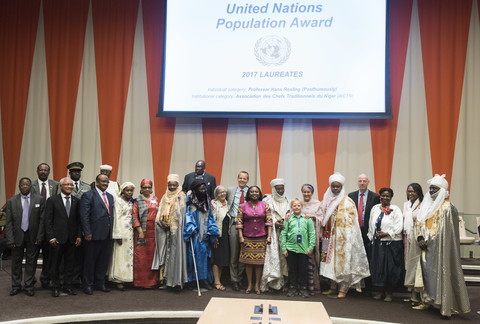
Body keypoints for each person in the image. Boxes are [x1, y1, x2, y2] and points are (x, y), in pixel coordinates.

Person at [404, 174, 470, 317]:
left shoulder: (448, 208)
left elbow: (446, 232)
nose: (431, 191)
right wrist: (420, 237)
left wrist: (430, 240)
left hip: (440, 248)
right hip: (424, 246)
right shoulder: (425, 206)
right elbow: (419, 223)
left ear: (442, 190)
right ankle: (425, 300)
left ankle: (442, 303)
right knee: (424, 274)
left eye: (435, 188)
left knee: (439, 274)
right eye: (430, 188)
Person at [320, 173, 370, 299]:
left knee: (343, 263)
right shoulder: (327, 200)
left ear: (341, 187)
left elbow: (351, 222)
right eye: (333, 186)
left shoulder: (347, 201)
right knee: (329, 263)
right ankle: (333, 287)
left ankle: (343, 289)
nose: (335, 189)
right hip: (329, 237)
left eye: (338, 187)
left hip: (342, 238)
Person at [5, 177, 45, 296]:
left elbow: (42, 220)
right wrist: (10, 238)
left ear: (31, 186)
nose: (25, 186)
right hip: (17, 237)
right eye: (22, 184)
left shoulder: (39, 199)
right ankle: (16, 285)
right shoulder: (11, 201)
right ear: (19, 186)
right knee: (16, 262)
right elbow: (9, 222)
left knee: (31, 262)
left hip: (33, 236)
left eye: (27, 184)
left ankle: (28, 285)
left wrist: (40, 236)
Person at [45, 177, 82, 297]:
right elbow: (48, 220)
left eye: (71, 185)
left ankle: (67, 286)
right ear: (60, 186)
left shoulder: (76, 201)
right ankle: (55, 287)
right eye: (67, 185)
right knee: (55, 264)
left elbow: (78, 221)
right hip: (57, 239)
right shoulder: (52, 200)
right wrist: (51, 237)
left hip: (71, 239)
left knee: (69, 264)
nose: (69, 187)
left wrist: (78, 236)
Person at [368, 188, 404, 302]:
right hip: (378, 244)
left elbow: (399, 226)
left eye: (387, 196)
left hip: (391, 243)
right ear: (380, 196)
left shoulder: (395, 209)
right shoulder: (375, 208)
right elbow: (370, 224)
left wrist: (387, 234)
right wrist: (371, 237)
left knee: (389, 268)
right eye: (383, 195)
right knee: (378, 267)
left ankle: (389, 292)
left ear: (391, 197)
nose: (385, 198)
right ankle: (380, 291)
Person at [80, 174, 114, 295]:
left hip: (107, 235)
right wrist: (87, 232)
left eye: (107, 182)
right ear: (97, 182)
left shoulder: (110, 197)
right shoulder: (88, 195)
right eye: (103, 181)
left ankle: (100, 283)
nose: (105, 184)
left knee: (103, 261)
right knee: (90, 261)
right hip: (93, 235)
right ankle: (88, 285)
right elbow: (84, 216)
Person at [152, 174, 188, 289]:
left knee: (174, 255)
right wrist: (162, 223)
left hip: (176, 232)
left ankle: (175, 281)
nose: (172, 187)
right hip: (163, 229)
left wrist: (171, 224)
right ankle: (165, 280)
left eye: (174, 185)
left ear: (178, 185)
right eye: (170, 185)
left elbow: (181, 214)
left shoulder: (181, 196)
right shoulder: (165, 196)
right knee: (164, 254)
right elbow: (159, 213)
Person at [236, 186, 272, 295]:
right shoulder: (242, 206)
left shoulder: (265, 205)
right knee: (248, 263)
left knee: (259, 263)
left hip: (261, 237)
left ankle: (257, 284)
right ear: (249, 193)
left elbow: (269, 222)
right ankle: (249, 284)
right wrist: (241, 237)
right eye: (252, 192)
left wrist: (269, 236)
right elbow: (239, 223)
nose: (254, 193)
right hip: (247, 237)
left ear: (259, 193)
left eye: (256, 191)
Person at [184, 179, 219, 290]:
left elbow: (211, 217)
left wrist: (212, 232)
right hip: (193, 234)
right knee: (191, 257)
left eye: (204, 189)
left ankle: (203, 280)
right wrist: (191, 228)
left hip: (204, 234)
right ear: (195, 190)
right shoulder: (189, 200)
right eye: (201, 189)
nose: (203, 191)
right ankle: (191, 281)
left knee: (204, 258)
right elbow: (186, 215)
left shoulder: (207, 200)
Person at [31, 163, 59, 289]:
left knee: (49, 256)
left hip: (50, 226)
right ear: (37, 171)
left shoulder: (56, 185)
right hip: (35, 226)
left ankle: (45, 279)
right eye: (41, 170)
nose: (43, 172)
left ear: (49, 172)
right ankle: (30, 280)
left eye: (45, 170)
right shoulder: (30, 185)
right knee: (33, 256)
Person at [281, 198, 316, 298]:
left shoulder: (307, 219)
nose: (296, 207)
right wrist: (284, 248)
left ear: (302, 207)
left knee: (303, 269)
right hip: (291, 249)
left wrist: (310, 247)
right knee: (292, 269)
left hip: (304, 250)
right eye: (294, 206)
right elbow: (283, 234)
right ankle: (292, 287)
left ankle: (303, 288)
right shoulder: (288, 219)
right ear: (291, 207)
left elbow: (312, 234)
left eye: (298, 205)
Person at [261, 178, 289, 291]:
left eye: (282, 188)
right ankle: (272, 283)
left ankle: (284, 283)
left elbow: (290, 215)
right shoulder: (268, 201)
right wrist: (274, 223)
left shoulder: (288, 201)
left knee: (284, 258)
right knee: (273, 257)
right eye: (278, 189)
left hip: (284, 232)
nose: (280, 191)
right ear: (274, 189)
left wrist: (284, 223)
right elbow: (264, 216)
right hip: (272, 233)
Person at [108, 182, 136, 291]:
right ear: (122, 191)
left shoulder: (131, 202)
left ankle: (127, 278)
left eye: (131, 190)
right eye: (127, 190)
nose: (129, 192)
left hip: (130, 232)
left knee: (128, 255)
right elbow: (116, 218)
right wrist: (118, 235)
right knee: (120, 256)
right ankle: (118, 280)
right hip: (121, 232)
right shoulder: (118, 201)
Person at [67, 161, 91, 287]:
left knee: (81, 255)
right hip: (68, 224)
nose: (76, 173)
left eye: (78, 171)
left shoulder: (87, 187)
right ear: (70, 173)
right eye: (74, 171)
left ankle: (77, 279)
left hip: (83, 224)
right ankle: (66, 280)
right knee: (68, 254)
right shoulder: (65, 185)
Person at [132, 179, 159, 288]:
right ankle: (140, 282)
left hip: (154, 231)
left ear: (151, 189)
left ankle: (152, 282)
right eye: (144, 187)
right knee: (141, 257)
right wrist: (140, 232)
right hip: (141, 231)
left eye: (149, 187)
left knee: (151, 257)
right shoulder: (137, 201)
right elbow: (134, 217)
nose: (147, 189)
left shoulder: (156, 200)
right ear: (141, 189)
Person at [226, 171, 249, 291]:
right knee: (234, 254)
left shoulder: (251, 191)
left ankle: (240, 279)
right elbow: (221, 199)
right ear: (237, 179)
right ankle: (234, 280)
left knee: (243, 255)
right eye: (240, 178)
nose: (242, 180)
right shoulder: (230, 190)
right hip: (234, 224)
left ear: (247, 180)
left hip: (248, 227)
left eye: (244, 179)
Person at [300, 183, 323, 295]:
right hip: (301, 237)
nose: (306, 194)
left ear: (312, 193)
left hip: (312, 236)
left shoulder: (318, 204)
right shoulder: (299, 203)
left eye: (308, 192)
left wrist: (313, 216)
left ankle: (313, 287)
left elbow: (322, 219)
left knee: (312, 260)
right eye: (304, 192)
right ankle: (302, 286)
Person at [211, 185, 230, 291]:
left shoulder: (228, 204)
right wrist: (214, 236)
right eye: (220, 193)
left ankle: (219, 280)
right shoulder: (214, 205)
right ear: (216, 195)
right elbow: (212, 220)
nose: (222, 194)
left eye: (224, 192)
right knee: (216, 259)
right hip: (218, 235)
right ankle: (216, 282)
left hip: (227, 235)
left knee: (223, 259)